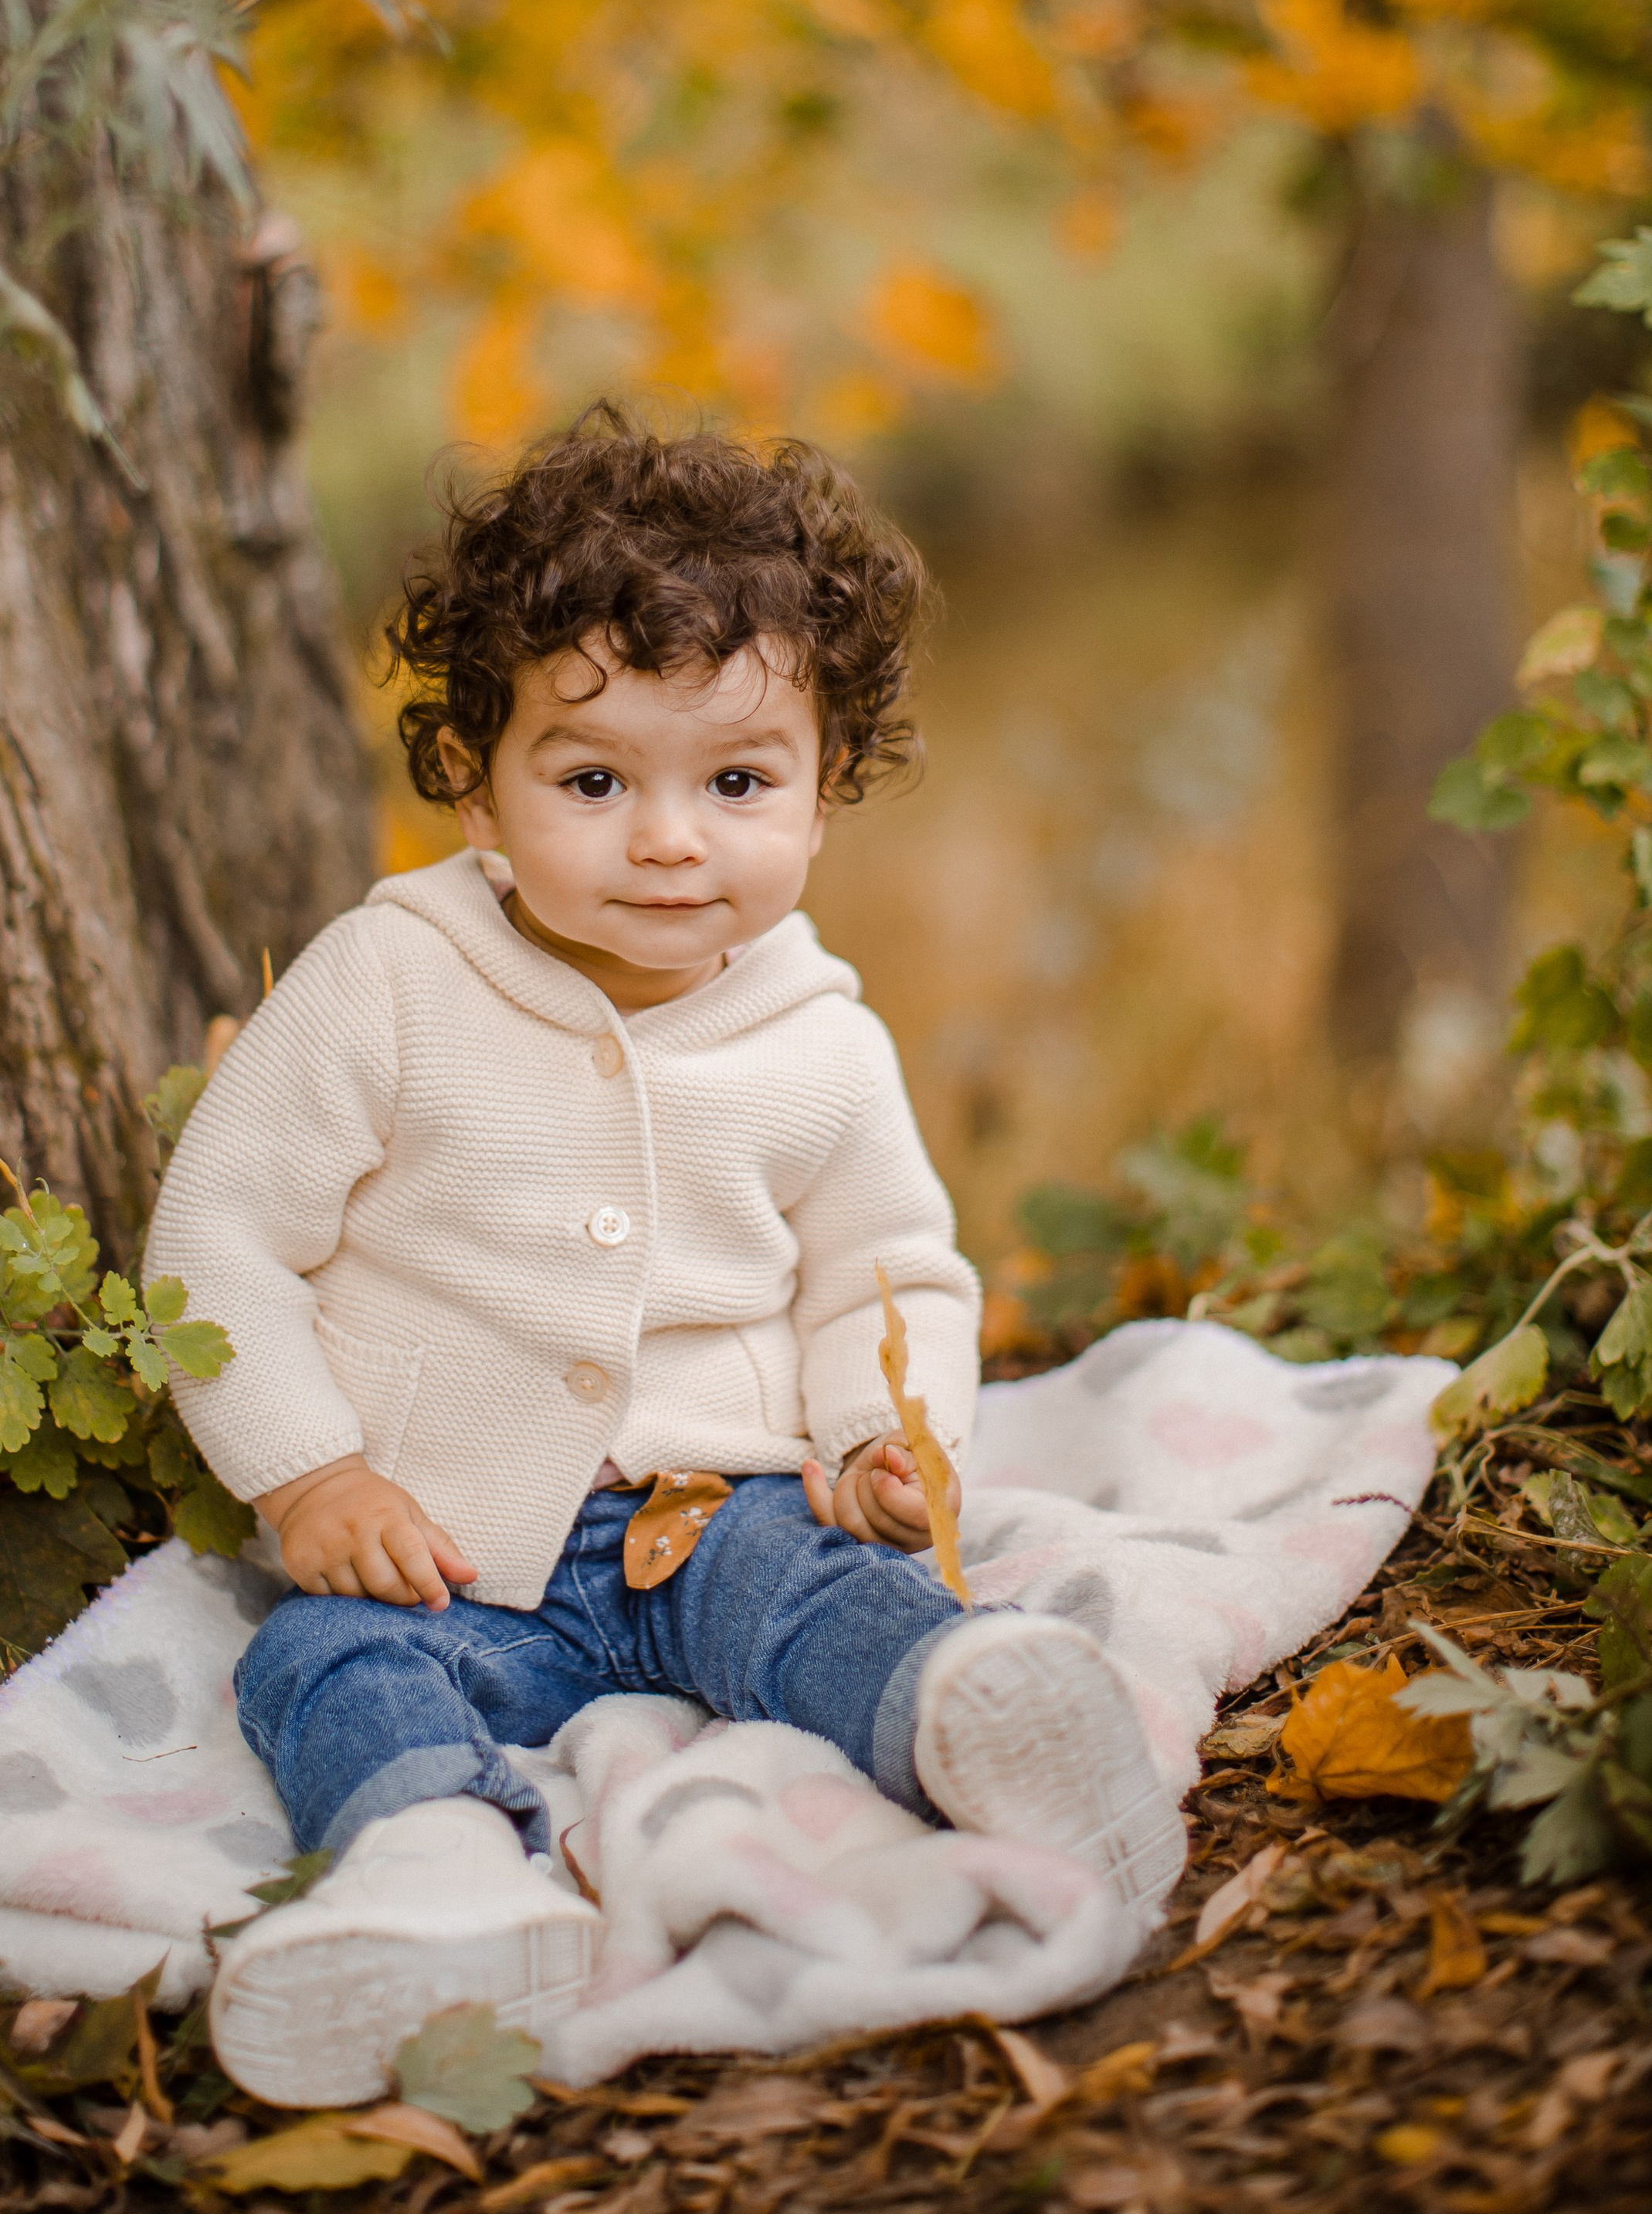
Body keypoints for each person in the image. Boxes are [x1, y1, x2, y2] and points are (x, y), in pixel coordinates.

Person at [146, 410, 1179, 2104]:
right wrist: (310, 1470)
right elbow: (216, 1243)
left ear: (824, 790)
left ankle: (978, 1716)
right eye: (592, 779)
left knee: (831, 1605)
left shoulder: (819, 1043)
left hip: (720, 1518)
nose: (669, 839)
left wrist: (874, 1441)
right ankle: (431, 1882)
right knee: (314, 1664)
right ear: (473, 782)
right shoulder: (387, 981)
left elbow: (882, 1275)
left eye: (738, 782)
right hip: (441, 1546)